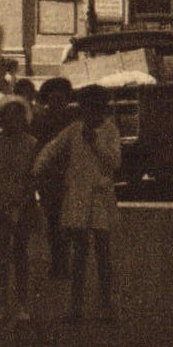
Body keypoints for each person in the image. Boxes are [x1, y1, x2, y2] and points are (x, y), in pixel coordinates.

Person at [34, 82, 121, 322]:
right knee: (79, 253)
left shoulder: (110, 131)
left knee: (103, 251)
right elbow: (50, 150)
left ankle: (105, 304)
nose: (92, 114)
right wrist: (37, 171)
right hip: (78, 195)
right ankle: (75, 307)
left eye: (97, 108)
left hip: (101, 196)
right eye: (88, 108)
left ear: (103, 109)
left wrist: (95, 143)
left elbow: (114, 162)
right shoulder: (74, 130)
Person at [0, 96, 39, 323]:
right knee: (2, 255)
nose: (12, 120)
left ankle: (22, 304)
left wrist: (21, 201)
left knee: (21, 254)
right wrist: (0, 201)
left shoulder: (32, 144)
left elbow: (34, 177)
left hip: (24, 204)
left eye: (17, 115)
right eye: (8, 115)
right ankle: (1, 304)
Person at [31, 77, 75, 279]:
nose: (58, 102)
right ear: (47, 99)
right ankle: (58, 261)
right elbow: (35, 148)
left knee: (68, 221)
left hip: (70, 177)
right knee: (52, 220)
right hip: (49, 177)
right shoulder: (39, 120)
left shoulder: (74, 120)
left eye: (62, 98)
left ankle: (64, 260)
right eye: (54, 98)